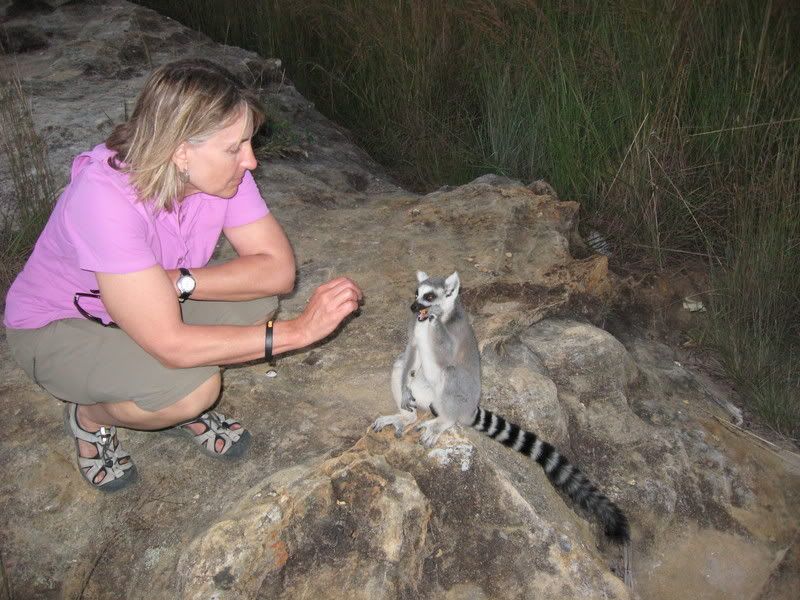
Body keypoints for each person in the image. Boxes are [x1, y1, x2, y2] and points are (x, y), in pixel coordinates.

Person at [3, 58, 363, 491]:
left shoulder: (221, 176)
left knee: (258, 301)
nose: (251, 161)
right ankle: (89, 415)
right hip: (60, 326)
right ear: (180, 151)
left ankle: (159, 387)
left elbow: (277, 272)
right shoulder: (104, 201)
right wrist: (298, 333)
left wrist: (178, 281)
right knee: (195, 390)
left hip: (144, 306)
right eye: (234, 148)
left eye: (248, 143)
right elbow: (171, 345)